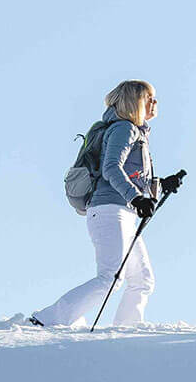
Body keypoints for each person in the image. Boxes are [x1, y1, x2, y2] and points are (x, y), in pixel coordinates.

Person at [29, 80, 180, 328]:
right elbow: (111, 169)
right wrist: (136, 198)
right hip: (111, 210)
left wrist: (162, 185)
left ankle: (126, 328)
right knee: (110, 276)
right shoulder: (124, 129)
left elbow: (132, 177)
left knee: (142, 279)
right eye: (149, 98)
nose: (155, 102)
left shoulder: (136, 132)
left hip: (123, 211)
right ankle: (48, 320)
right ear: (135, 103)